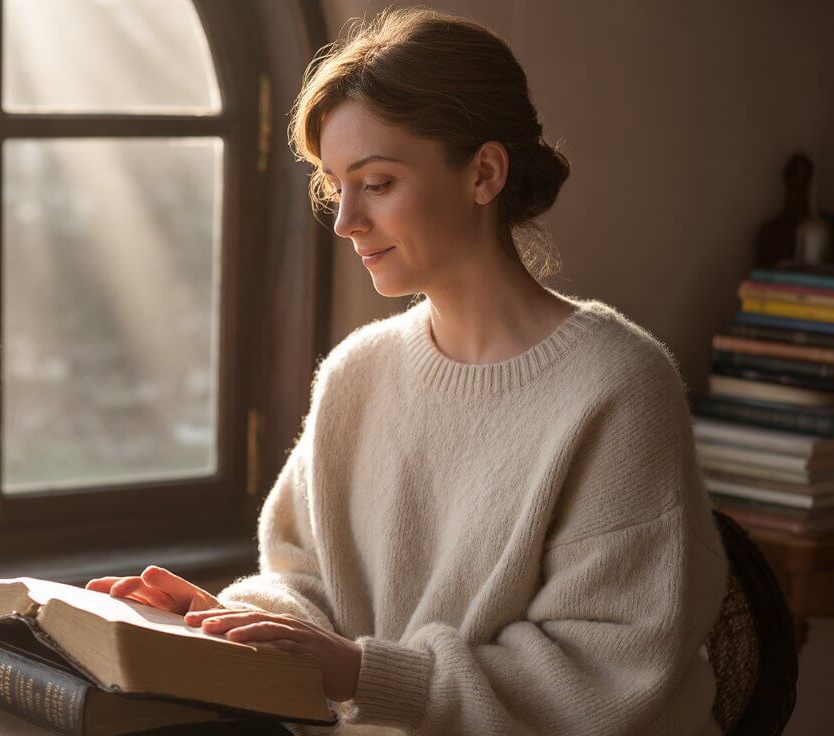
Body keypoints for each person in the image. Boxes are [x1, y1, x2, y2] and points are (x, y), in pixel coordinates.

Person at [87, 8, 727, 735]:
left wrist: (360, 671)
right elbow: (302, 580)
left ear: (484, 173)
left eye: (378, 182)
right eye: (336, 186)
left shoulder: (618, 385)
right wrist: (231, 622)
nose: (345, 220)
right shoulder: (358, 373)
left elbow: (603, 672)